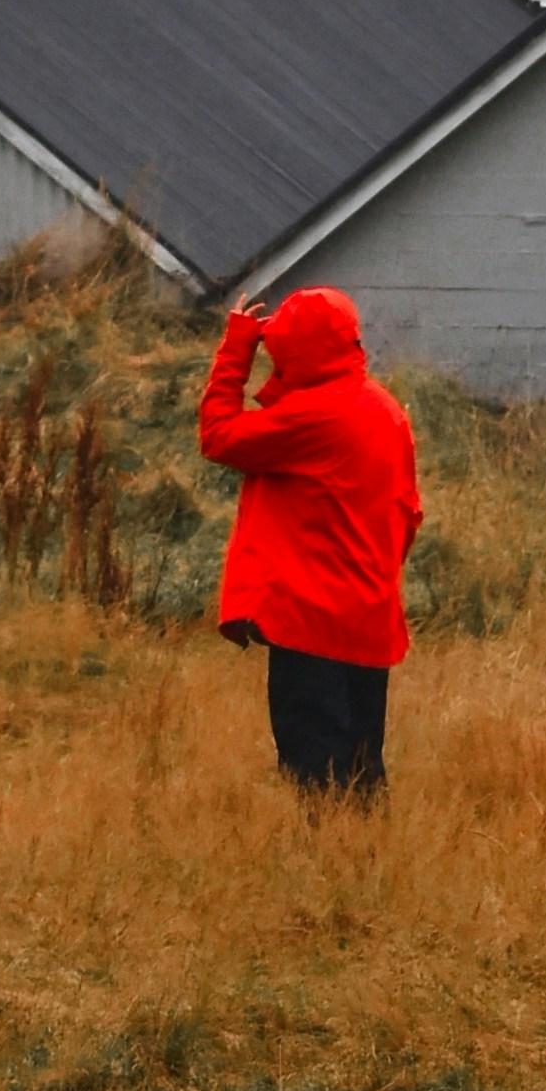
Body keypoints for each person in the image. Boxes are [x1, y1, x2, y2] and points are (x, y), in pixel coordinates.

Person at [199, 285, 421, 797]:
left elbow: (218, 436)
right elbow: (411, 514)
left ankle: (329, 867)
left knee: (314, 769)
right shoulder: (385, 410)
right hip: (369, 618)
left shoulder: (315, 415)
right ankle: (370, 864)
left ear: (297, 351)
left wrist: (236, 350)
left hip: (310, 621)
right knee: (364, 766)